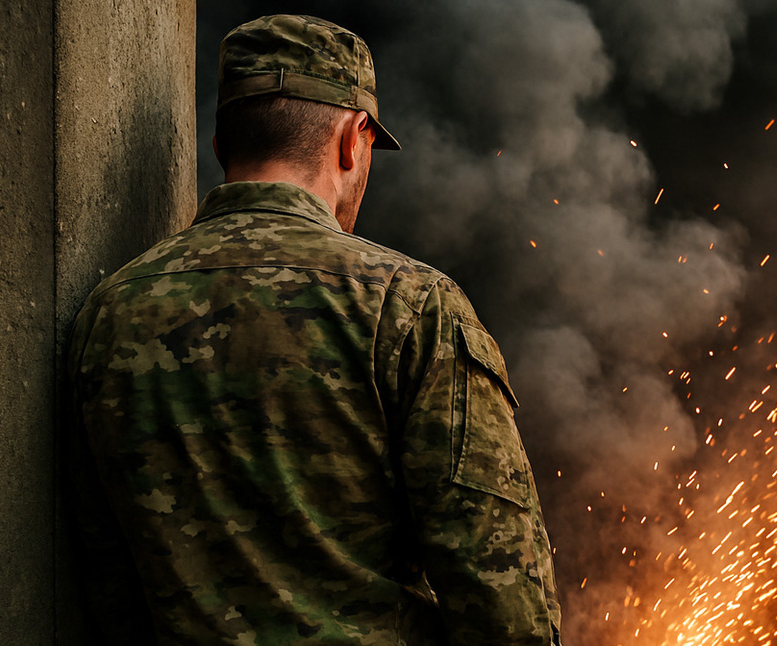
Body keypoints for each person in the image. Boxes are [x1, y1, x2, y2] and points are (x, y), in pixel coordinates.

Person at [66, 14, 562, 645]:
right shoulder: (409, 307)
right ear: (353, 141)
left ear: (221, 146)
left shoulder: (108, 314)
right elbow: (503, 598)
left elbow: (105, 587)